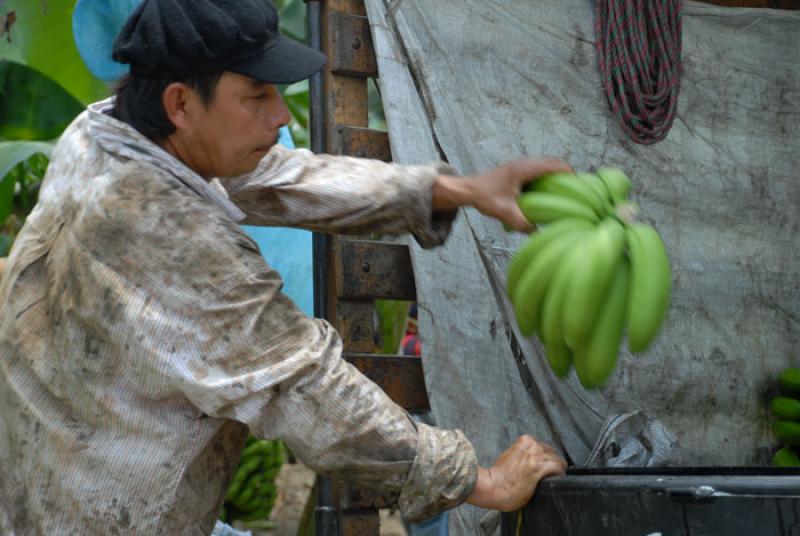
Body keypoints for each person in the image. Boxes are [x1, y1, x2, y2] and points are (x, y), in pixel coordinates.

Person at [0, 0, 568, 533]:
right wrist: (480, 480)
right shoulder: (164, 232)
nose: (278, 114)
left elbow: (284, 177)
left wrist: (455, 190)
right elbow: (305, 387)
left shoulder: (108, 133)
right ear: (180, 103)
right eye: (256, 95)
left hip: (49, 480)